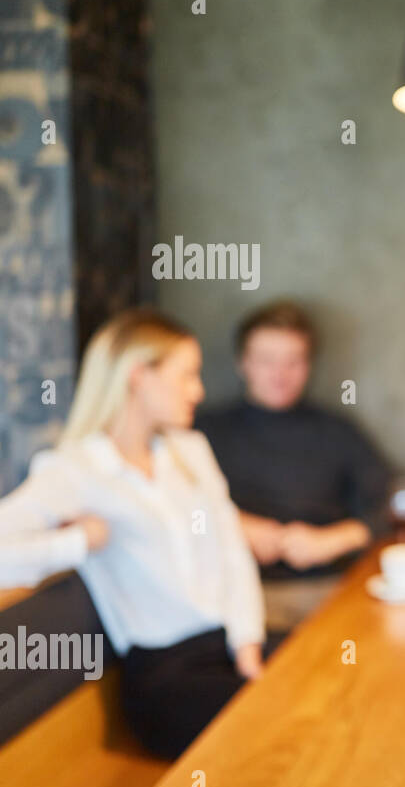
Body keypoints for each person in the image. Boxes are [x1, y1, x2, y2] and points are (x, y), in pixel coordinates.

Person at [0, 308, 280, 760]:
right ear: (138, 376)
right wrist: (78, 543)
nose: (199, 390)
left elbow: (232, 550)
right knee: (288, 735)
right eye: (188, 375)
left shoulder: (191, 450)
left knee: (329, 685)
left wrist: (248, 647)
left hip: (232, 646)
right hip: (168, 679)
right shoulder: (76, 471)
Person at [195, 301, 391, 630]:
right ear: (243, 363)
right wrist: (235, 525)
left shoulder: (337, 430)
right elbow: (168, 507)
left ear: (309, 365)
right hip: (238, 593)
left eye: (293, 361)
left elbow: (389, 504)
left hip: (330, 591)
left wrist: (331, 541)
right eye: (267, 361)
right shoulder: (205, 432)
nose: (280, 374)